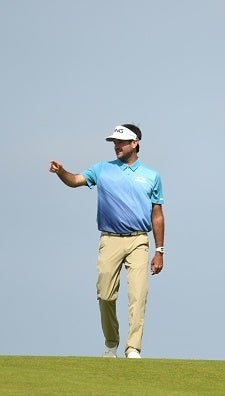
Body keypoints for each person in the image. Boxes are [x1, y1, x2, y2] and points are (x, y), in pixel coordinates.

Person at [49, 124, 165, 359]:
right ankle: (111, 342)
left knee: (138, 294)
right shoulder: (102, 169)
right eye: (114, 142)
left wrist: (159, 250)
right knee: (105, 295)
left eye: (121, 142)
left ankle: (133, 348)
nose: (116, 146)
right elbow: (74, 180)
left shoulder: (152, 176)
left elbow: (157, 215)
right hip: (109, 239)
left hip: (138, 241)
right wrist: (62, 172)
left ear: (135, 143)